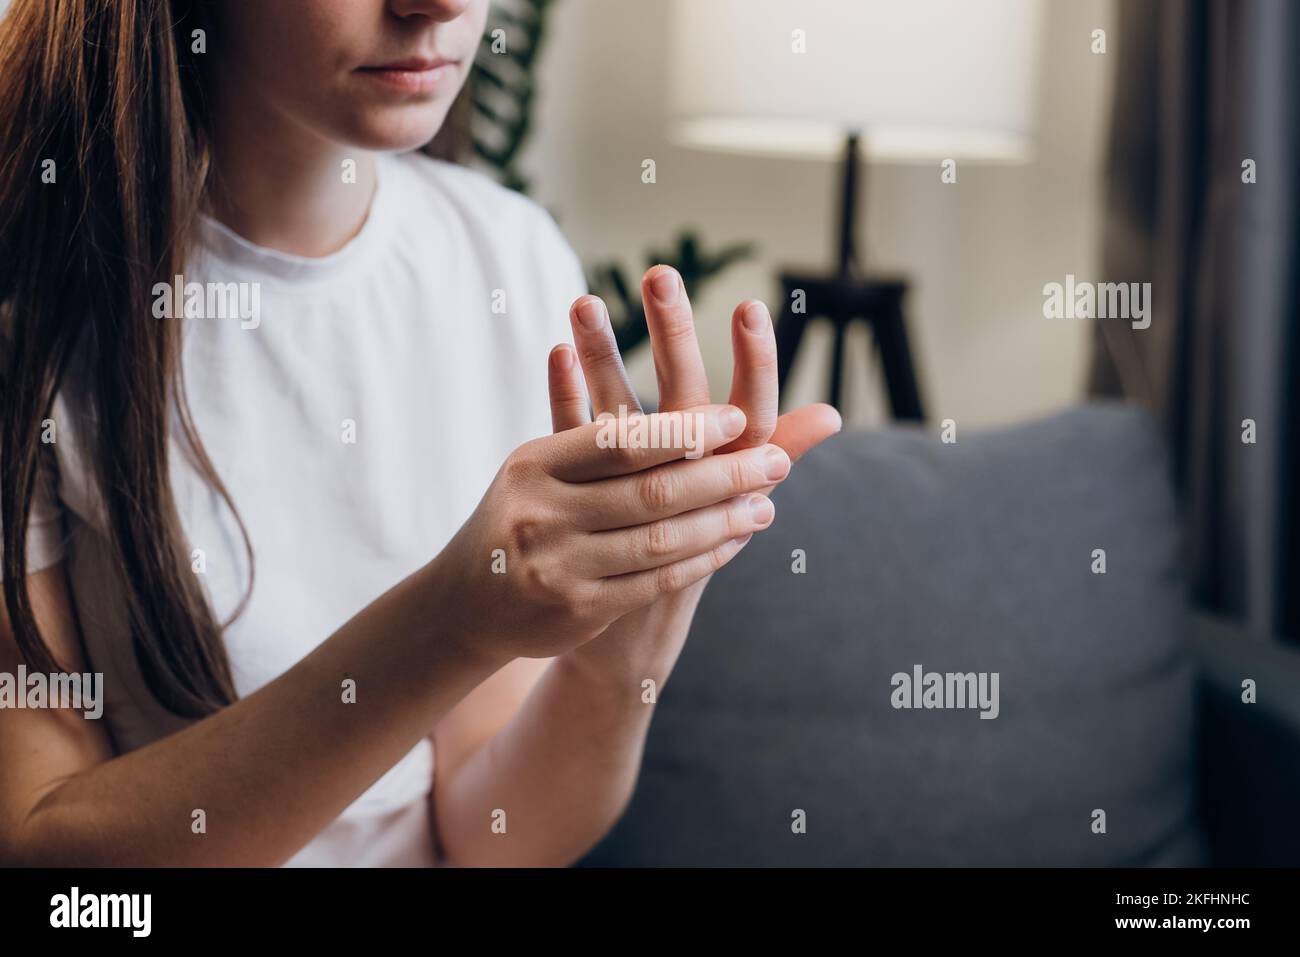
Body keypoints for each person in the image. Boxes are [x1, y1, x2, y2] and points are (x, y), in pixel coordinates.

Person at [0, 0, 840, 866]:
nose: (437, 4)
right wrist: (454, 620)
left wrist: (621, 654)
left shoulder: (504, 257)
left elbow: (491, 836)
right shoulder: (32, 320)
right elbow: (44, 856)